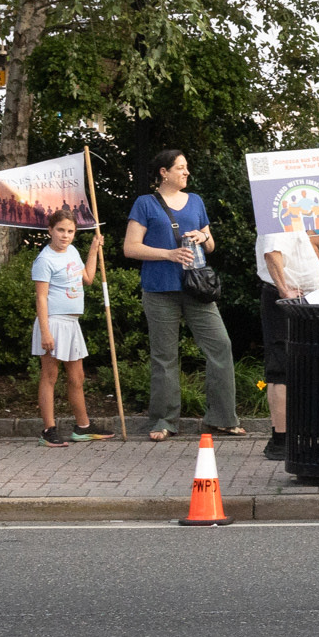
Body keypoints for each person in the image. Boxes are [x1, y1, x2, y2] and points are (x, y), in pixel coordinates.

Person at [123, 150, 242, 442]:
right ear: (163, 172)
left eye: (186, 167)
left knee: (221, 346)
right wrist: (169, 254)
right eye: (180, 167)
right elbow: (130, 247)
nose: (186, 172)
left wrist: (204, 237)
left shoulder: (196, 201)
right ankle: (164, 421)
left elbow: (210, 244)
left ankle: (222, 419)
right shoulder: (145, 203)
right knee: (164, 356)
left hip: (197, 288)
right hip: (159, 289)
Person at [256, 218, 319, 460]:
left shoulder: (294, 217)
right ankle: (281, 439)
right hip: (287, 300)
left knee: (297, 366)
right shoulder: (277, 217)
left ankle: (294, 434)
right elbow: (271, 253)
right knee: (281, 367)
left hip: (302, 298)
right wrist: (284, 290)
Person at [33, 206, 108, 446]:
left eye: (70, 231)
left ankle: (83, 427)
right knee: (50, 375)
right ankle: (48, 430)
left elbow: (87, 279)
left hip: (72, 323)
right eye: (60, 230)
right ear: (50, 230)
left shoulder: (73, 251)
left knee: (77, 376)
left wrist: (94, 249)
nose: (65, 235)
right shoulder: (44, 259)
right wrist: (45, 331)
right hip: (53, 321)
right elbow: (41, 298)